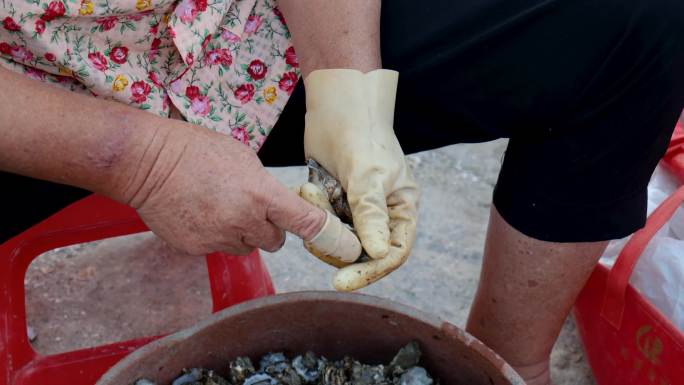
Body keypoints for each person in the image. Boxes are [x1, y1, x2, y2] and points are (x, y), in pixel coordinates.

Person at [1, 1, 682, 384]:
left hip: (235, 32)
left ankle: (510, 361)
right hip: (33, 100)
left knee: (637, 20)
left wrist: (350, 91)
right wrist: (140, 160)